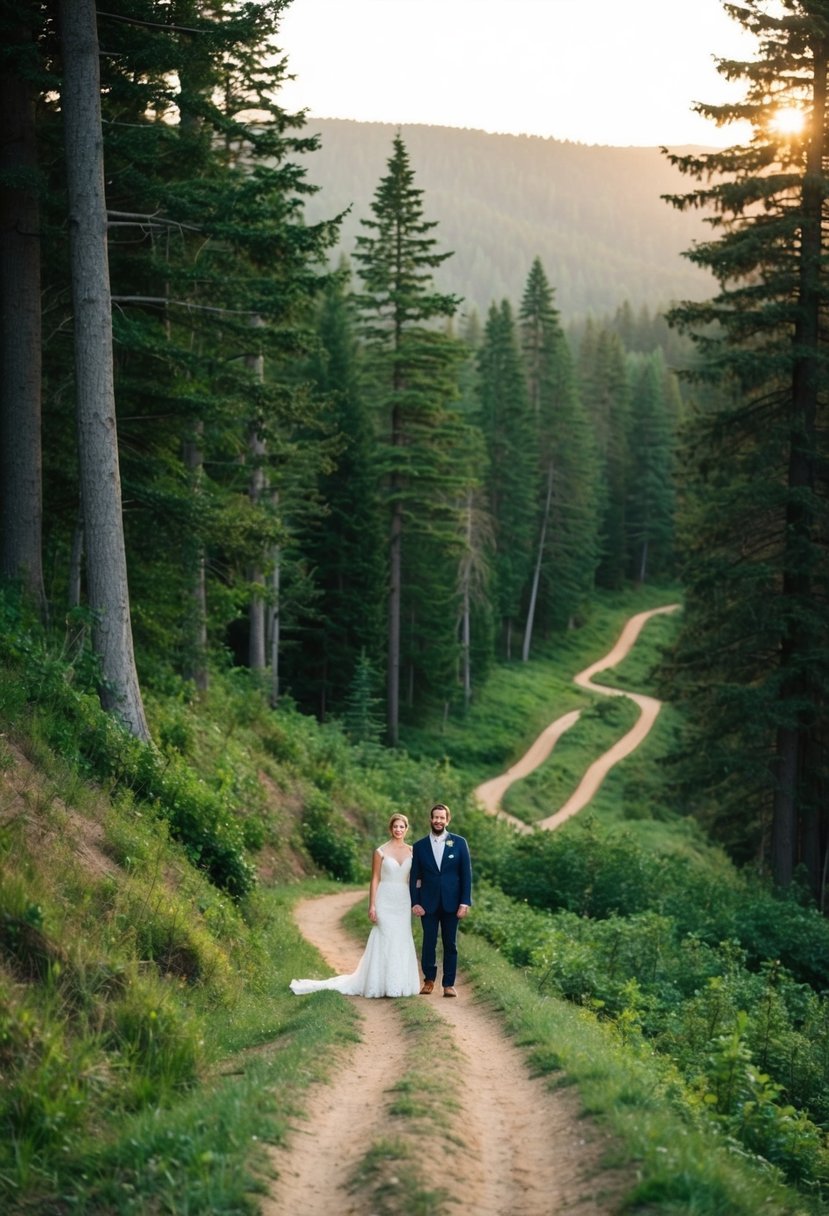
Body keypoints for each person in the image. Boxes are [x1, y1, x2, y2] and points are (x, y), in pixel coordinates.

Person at [289, 813, 421, 998]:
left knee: (401, 937)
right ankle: (380, 983)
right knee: (384, 936)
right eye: (395, 826)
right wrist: (372, 905)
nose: (398, 830)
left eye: (402, 827)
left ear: (407, 829)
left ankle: (399, 984)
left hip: (403, 899)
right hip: (385, 897)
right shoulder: (380, 851)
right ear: (390, 829)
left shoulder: (413, 851)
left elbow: (417, 878)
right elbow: (374, 879)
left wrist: (421, 897)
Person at [409, 803, 472, 998]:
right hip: (427, 903)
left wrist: (465, 902)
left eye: (441, 818)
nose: (438, 821)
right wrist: (415, 902)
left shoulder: (459, 843)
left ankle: (449, 984)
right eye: (435, 817)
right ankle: (428, 980)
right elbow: (414, 877)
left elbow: (466, 875)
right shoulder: (419, 846)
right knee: (428, 942)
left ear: (447, 820)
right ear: (430, 819)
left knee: (450, 944)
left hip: (452, 903)